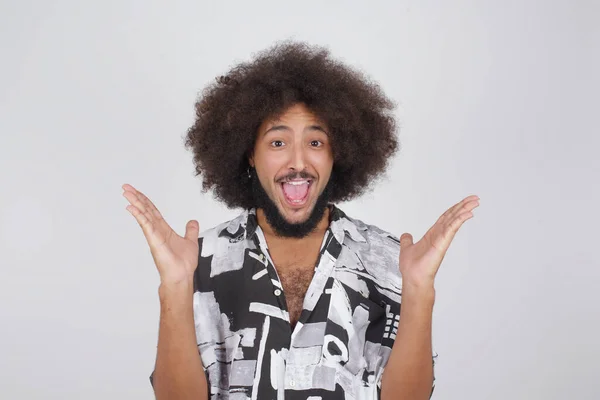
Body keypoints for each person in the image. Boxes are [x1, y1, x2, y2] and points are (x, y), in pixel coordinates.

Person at [122, 41, 479, 400]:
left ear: (337, 154)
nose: (297, 162)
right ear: (250, 154)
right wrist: (174, 285)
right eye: (278, 143)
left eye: (315, 142)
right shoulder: (201, 260)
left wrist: (419, 290)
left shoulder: (388, 261)